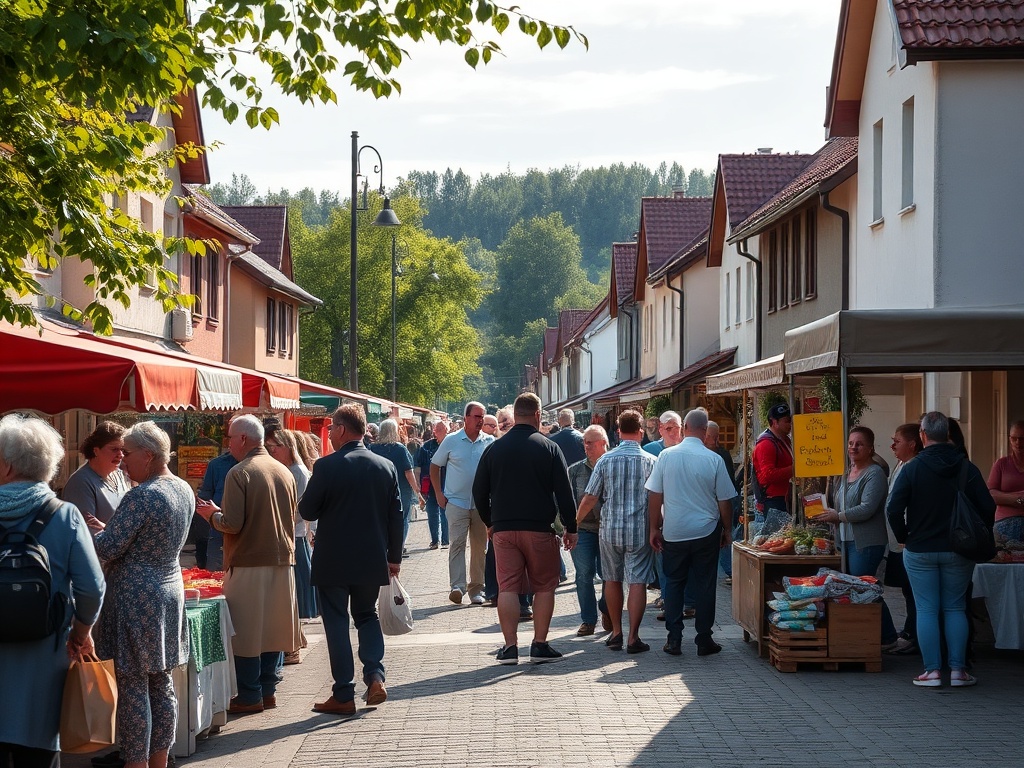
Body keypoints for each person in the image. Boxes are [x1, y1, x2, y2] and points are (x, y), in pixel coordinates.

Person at [0, 414, 105, 768]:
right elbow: (91, 587)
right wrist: (81, 632)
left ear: (7, 467)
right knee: (40, 752)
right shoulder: (65, 516)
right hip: (46, 653)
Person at [94, 422, 193, 768]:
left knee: (133, 685)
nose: (123, 461)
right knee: (160, 682)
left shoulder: (142, 495)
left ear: (148, 456)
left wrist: (85, 536)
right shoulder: (181, 488)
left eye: (128, 453)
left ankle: (135, 762)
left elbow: (108, 547)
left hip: (137, 595)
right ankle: (158, 760)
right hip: (168, 588)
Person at [298, 405, 403, 715]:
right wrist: (394, 557)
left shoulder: (327, 466)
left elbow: (308, 511)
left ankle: (343, 694)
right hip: (371, 557)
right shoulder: (385, 466)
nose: (329, 434)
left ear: (342, 430)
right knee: (367, 615)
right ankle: (374, 677)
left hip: (333, 558)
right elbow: (395, 516)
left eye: (332, 428)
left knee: (337, 623)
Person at [194, 414, 301, 714]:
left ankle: (250, 694)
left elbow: (232, 523)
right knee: (271, 631)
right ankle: (267, 691)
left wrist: (212, 515)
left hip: (248, 562)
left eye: (229, 437)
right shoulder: (284, 471)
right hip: (282, 560)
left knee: (246, 633)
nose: (228, 444)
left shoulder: (239, 472)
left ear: (242, 439)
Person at [886, 411, 995, 687]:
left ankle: (932, 671)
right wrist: (976, 534)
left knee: (926, 609)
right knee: (955, 607)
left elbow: (894, 508)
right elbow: (988, 507)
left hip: (920, 548)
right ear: (947, 433)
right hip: (958, 549)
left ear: (922, 435)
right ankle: (958, 671)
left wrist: (905, 537)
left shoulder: (912, 468)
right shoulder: (966, 468)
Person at [473, 393, 578, 664]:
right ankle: (539, 644)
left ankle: (509, 647)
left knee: (507, 587)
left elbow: (479, 491)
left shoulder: (494, 449)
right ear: (538, 415)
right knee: (544, 586)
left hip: (504, 530)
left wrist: (490, 523)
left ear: (514, 415)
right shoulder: (549, 448)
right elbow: (564, 492)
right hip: (539, 529)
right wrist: (571, 526)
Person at [646, 409, 736, 657]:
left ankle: (674, 638)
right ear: (706, 431)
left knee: (674, 583)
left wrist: (655, 527)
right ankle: (704, 639)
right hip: (706, 531)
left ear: (684, 426)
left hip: (674, 531)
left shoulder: (666, 456)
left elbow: (655, 494)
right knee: (705, 585)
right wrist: (727, 530)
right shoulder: (714, 459)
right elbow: (725, 501)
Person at [577, 409, 656, 654]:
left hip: (610, 529)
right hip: (639, 529)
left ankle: (616, 633)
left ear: (618, 432)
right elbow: (657, 498)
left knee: (611, 579)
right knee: (637, 581)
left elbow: (590, 496)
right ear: (641, 432)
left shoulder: (605, 460)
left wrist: (575, 522)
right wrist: (657, 527)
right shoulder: (650, 461)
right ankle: (633, 637)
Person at [816, 426, 899, 650]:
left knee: (864, 587)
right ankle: (871, 634)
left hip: (866, 542)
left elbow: (867, 508)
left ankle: (887, 636)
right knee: (857, 588)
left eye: (859, 444)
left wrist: (839, 516)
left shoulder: (874, 474)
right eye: (851, 443)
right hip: (846, 540)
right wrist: (830, 515)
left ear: (870, 448)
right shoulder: (845, 472)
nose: (853, 447)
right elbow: (839, 503)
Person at [430, 402, 494, 605]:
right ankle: (456, 586)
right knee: (457, 544)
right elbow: (434, 465)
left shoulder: (490, 441)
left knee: (479, 547)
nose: (480, 420)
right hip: (456, 502)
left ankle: (477, 589)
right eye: (476, 416)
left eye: (482, 416)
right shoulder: (451, 440)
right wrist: (439, 493)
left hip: (481, 504)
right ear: (465, 418)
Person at [266, 430, 317, 665]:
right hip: (288, 537)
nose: (271, 449)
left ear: (287, 446)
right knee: (291, 595)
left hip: (293, 538)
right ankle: (296, 640)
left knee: (292, 595)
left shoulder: (297, 472)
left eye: (274, 445)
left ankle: (292, 647)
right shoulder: (287, 470)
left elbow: (299, 511)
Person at [884, 423, 924, 655]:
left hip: (907, 539)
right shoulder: (900, 464)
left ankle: (914, 634)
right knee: (905, 589)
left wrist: (904, 535)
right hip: (896, 541)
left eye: (897, 441)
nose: (892, 445)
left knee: (912, 590)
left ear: (912, 444)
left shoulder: (914, 468)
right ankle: (910, 630)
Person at [569, 425, 610, 636]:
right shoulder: (575, 470)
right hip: (582, 529)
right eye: (584, 442)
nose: (586, 446)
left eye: (590, 443)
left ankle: (607, 608)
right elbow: (566, 501)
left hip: (608, 530)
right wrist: (565, 528)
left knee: (609, 575)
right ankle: (588, 620)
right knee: (584, 575)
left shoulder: (613, 466)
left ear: (603, 443)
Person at [61, 420, 131, 535]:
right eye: (114, 449)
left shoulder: (120, 475)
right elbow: (87, 532)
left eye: (122, 450)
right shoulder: (80, 483)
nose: (120, 454)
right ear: (96, 451)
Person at [369, 419, 424, 555]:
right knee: (401, 519)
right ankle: (398, 548)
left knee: (382, 519)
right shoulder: (399, 449)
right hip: (401, 491)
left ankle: (383, 546)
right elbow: (408, 472)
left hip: (378, 491)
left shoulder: (372, 448)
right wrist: (417, 491)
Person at [196, 415, 240, 571]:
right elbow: (205, 496)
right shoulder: (217, 464)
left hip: (244, 536)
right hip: (218, 532)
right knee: (216, 578)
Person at [705, 421, 739, 584]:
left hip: (724, 500)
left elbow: (727, 487)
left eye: (715, 436)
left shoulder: (722, 455)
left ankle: (731, 570)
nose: (712, 440)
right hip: (711, 503)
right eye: (710, 436)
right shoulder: (705, 454)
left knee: (726, 532)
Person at [752, 402, 795, 525]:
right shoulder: (766, 444)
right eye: (787, 421)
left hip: (783, 497)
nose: (790, 424)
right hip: (772, 501)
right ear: (775, 422)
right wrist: (793, 470)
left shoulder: (783, 440)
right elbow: (767, 475)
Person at [987, 419, 1024, 544]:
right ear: (1009, 439)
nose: (1018, 443)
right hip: (1005, 523)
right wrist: (1017, 499)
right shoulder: (1001, 464)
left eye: (1022, 438)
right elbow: (990, 494)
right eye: (1014, 439)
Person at [415, 421, 450, 550]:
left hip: (447, 486)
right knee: (432, 513)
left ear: (447, 430)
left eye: (442, 428)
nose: (439, 431)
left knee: (445, 513)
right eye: (437, 429)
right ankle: (434, 540)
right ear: (434, 431)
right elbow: (418, 466)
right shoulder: (426, 447)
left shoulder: (451, 445)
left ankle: (446, 540)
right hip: (429, 486)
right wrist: (418, 483)